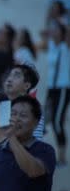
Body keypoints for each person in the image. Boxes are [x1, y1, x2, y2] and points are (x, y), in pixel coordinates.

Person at [40, 21, 70, 164]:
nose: (54, 31)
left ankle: (62, 156)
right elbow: (42, 36)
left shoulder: (66, 46)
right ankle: (41, 151)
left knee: (58, 122)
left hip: (63, 88)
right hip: (51, 88)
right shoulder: (52, 45)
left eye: (57, 29)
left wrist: (62, 23)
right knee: (44, 120)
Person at [3, 63, 44, 139]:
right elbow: (1, 137)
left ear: (27, 86)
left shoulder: (34, 107)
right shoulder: (4, 105)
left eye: (16, 76)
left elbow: (36, 141)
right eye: (9, 75)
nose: (9, 79)